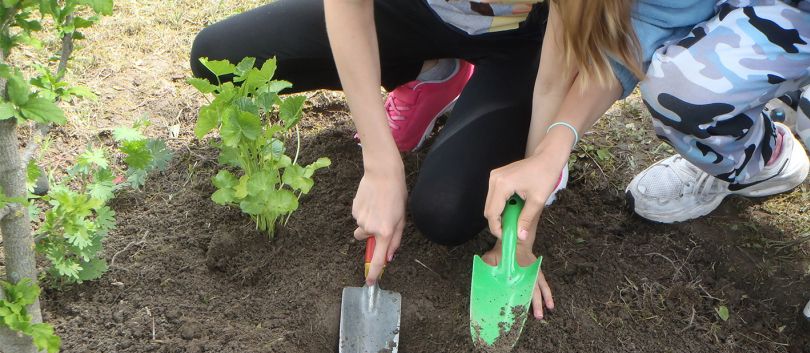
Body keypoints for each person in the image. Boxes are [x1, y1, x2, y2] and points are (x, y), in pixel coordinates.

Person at [191, 0, 809, 321]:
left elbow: (560, 78)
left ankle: (470, 84)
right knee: (220, 55)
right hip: (417, 12)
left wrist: (527, 212)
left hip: (520, 45)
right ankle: (433, 73)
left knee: (446, 212)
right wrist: (381, 164)